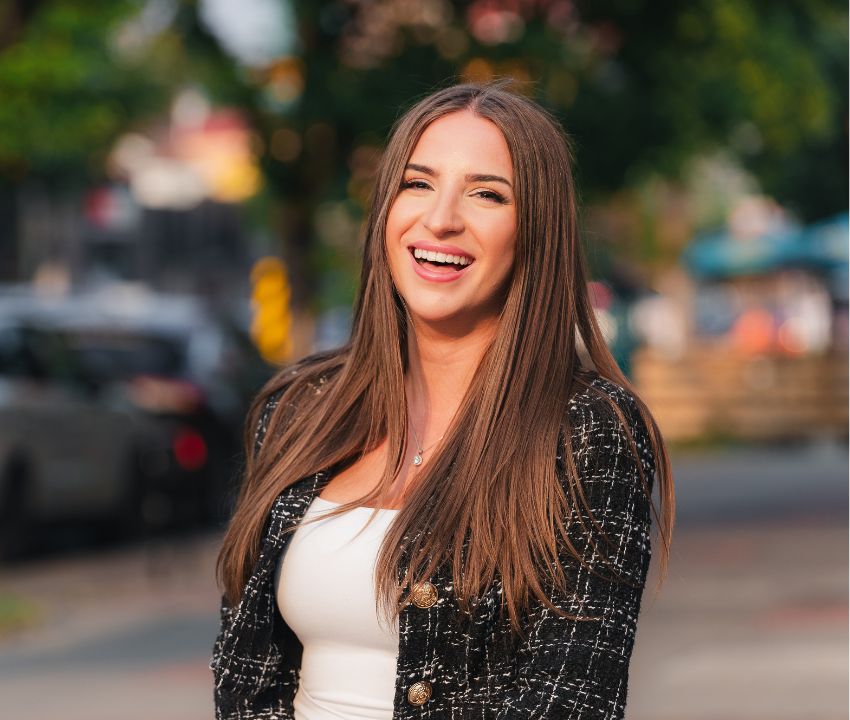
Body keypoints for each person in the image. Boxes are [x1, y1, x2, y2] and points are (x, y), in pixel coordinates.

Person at [211, 80, 675, 720]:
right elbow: (244, 676)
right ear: (385, 210)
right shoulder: (298, 409)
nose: (441, 218)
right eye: (417, 183)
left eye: (486, 194)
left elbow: (572, 697)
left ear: (533, 231)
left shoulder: (590, 435)